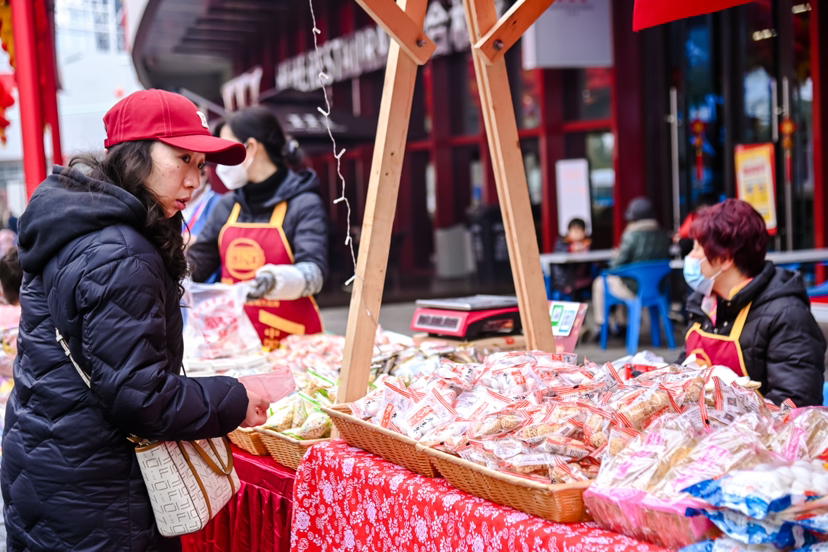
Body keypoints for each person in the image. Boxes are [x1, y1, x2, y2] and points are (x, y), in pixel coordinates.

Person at [1, 89, 270, 552]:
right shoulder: (122, 251)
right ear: (135, 154)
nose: (194, 179)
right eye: (182, 158)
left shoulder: (74, 221)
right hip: (98, 493)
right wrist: (236, 396)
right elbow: (141, 398)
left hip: (49, 465)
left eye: (201, 165)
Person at [187, 106, 328, 349]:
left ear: (251, 147)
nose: (220, 163)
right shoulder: (228, 205)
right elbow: (199, 262)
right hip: (237, 344)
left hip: (295, 345)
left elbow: (315, 274)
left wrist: (277, 281)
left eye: (226, 149)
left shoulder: (303, 203)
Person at [682, 198, 825, 406]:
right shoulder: (702, 305)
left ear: (725, 258)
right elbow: (684, 368)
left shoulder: (787, 314)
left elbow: (795, 404)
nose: (690, 256)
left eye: (697, 249)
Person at [590, 197, 671, 335]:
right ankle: (623, 324)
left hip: (634, 289)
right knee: (622, 281)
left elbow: (615, 267)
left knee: (600, 283)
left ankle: (602, 325)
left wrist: (617, 255)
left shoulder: (631, 235)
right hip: (658, 289)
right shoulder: (663, 235)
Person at [550, 218, 593, 299]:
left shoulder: (588, 243)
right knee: (575, 289)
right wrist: (571, 249)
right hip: (564, 279)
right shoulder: (562, 242)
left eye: (579, 230)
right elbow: (559, 254)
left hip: (582, 277)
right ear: (569, 232)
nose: (577, 234)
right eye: (574, 231)